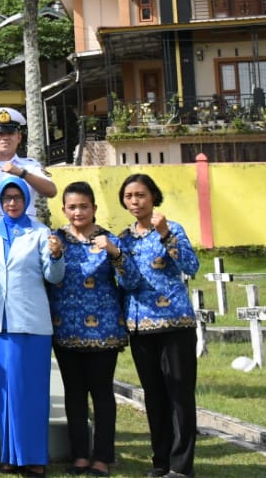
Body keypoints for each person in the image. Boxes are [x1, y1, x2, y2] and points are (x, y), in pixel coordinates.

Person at [0, 175, 65, 476]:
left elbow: (52, 276)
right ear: (0, 202)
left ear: (26, 200)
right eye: (7, 198)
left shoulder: (39, 232)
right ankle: (10, 454)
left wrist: (56, 256)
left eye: (18, 198)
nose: (12, 203)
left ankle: (34, 456)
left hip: (31, 323)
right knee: (5, 392)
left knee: (31, 390)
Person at [116, 173, 201, 478]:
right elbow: (126, 282)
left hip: (175, 324)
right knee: (153, 396)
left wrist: (165, 234)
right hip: (140, 326)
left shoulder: (172, 229)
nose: (135, 201)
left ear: (153, 196)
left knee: (179, 393)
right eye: (129, 197)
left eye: (140, 195)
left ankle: (181, 466)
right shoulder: (123, 240)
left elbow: (191, 266)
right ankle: (160, 461)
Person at [48, 181, 128, 478]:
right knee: (74, 394)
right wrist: (54, 254)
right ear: (64, 210)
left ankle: (103, 457)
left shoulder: (109, 240)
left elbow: (129, 279)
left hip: (103, 331)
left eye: (84, 206)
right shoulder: (55, 239)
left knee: (102, 394)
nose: (78, 211)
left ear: (94, 207)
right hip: (65, 328)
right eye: (72, 207)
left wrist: (115, 254)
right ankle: (80, 454)